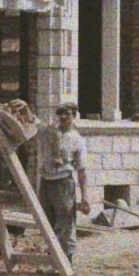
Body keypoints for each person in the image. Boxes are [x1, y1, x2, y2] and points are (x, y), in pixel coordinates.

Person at [35, 102, 92, 265]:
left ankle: (67, 260)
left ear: (74, 116)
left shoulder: (77, 140)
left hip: (63, 184)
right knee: (46, 222)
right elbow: (33, 124)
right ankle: (51, 259)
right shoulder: (48, 133)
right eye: (61, 114)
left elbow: (82, 170)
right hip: (46, 182)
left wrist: (85, 196)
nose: (64, 117)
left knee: (66, 224)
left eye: (67, 114)